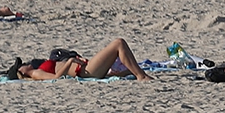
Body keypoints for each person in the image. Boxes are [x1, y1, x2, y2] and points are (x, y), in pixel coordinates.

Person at [10, 39, 153, 82]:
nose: (24, 64)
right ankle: (141, 77)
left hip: (85, 68)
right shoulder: (35, 74)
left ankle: (141, 75)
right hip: (84, 71)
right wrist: (70, 62)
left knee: (128, 66)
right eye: (21, 66)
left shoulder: (38, 69)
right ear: (21, 73)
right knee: (118, 43)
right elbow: (55, 77)